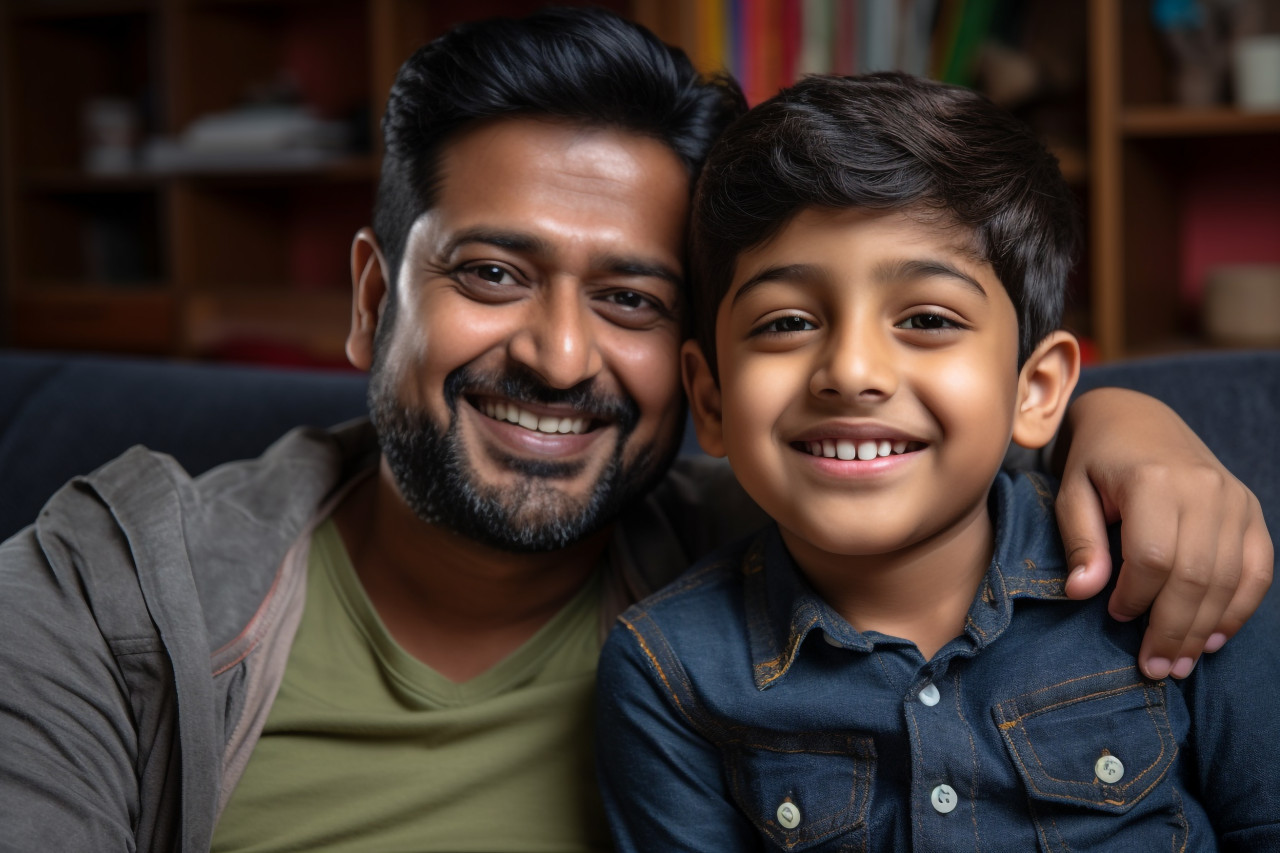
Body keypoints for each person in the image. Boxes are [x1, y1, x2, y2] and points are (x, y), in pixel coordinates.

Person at [0, 9, 1269, 853]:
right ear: (374, 302)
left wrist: (1130, 427)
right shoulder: (110, 590)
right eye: (492, 274)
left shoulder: (771, 530)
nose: (558, 357)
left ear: (693, 373)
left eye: (631, 300)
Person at [594, 71, 1279, 851]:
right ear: (711, 400)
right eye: (786, 322)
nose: (852, 371)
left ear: (1035, 389)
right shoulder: (669, 672)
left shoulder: (1178, 566)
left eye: (926, 318)